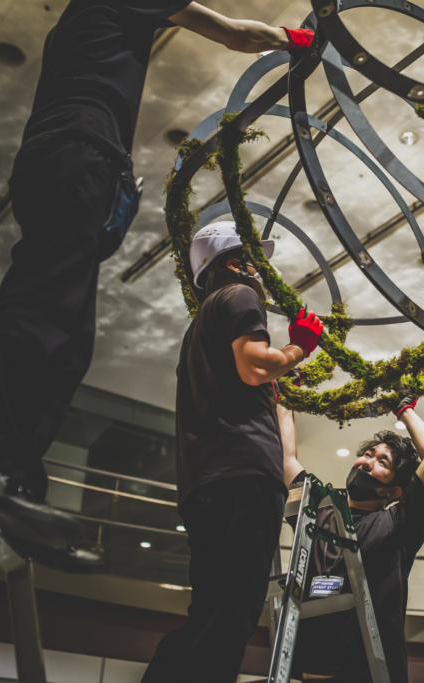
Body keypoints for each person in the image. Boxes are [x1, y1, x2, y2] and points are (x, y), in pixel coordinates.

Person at [0, 0, 316, 572]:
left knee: (70, 335)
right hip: (78, 151)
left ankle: (17, 482)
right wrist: (296, 38)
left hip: (79, 157)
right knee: (44, 305)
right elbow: (234, 33)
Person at [141, 222, 323, 683]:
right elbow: (255, 365)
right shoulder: (240, 295)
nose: (264, 269)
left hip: (210, 481)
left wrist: (276, 378)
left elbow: (246, 377)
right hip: (242, 476)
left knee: (211, 610)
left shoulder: (199, 327)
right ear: (234, 262)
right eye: (254, 258)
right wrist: (297, 347)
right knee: (231, 616)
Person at [280, 394, 424, 682]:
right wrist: (287, 396)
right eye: (368, 454)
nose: (367, 463)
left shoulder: (398, 523)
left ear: (395, 491)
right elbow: (285, 458)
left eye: (382, 461)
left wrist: (403, 408)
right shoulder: (317, 513)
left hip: (370, 672)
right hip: (310, 668)